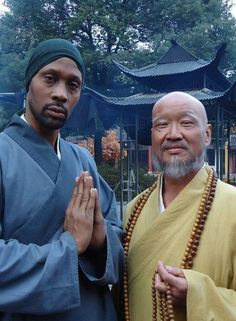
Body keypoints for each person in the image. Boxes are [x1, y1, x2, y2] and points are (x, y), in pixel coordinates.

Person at [0, 38, 124, 321]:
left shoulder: (83, 160)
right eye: (50, 78)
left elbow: (116, 234)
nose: (61, 94)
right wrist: (69, 246)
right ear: (28, 84)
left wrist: (99, 239)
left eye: (73, 85)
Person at [122, 91, 236, 321]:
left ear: (207, 134)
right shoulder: (134, 209)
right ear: (153, 135)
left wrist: (197, 294)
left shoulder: (232, 205)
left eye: (186, 123)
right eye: (162, 125)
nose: (173, 135)